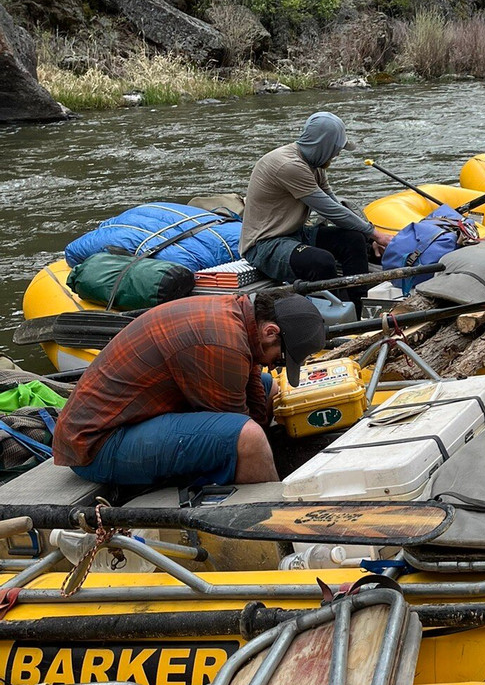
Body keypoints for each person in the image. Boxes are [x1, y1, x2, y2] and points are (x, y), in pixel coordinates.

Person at [52, 293, 327, 486]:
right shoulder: (222, 343)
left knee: (270, 386)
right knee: (249, 439)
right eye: (280, 359)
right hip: (98, 445)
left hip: (131, 420)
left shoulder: (238, 316)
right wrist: (261, 443)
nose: (273, 365)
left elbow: (253, 378)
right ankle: (268, 517)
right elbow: (239, 425)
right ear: (270, 332)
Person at [240, 112, 394, 311]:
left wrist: (368, 236)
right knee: (321, 262)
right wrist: (377, 235)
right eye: (337, 149)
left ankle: (359, 309)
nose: (337, 155)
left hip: (296, 233)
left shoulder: (316, 165)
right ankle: (334, 315)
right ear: (325, 145)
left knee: (354, 239)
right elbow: (331, 211)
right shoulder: (289, 165)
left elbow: (334, 202)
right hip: (266, 243)